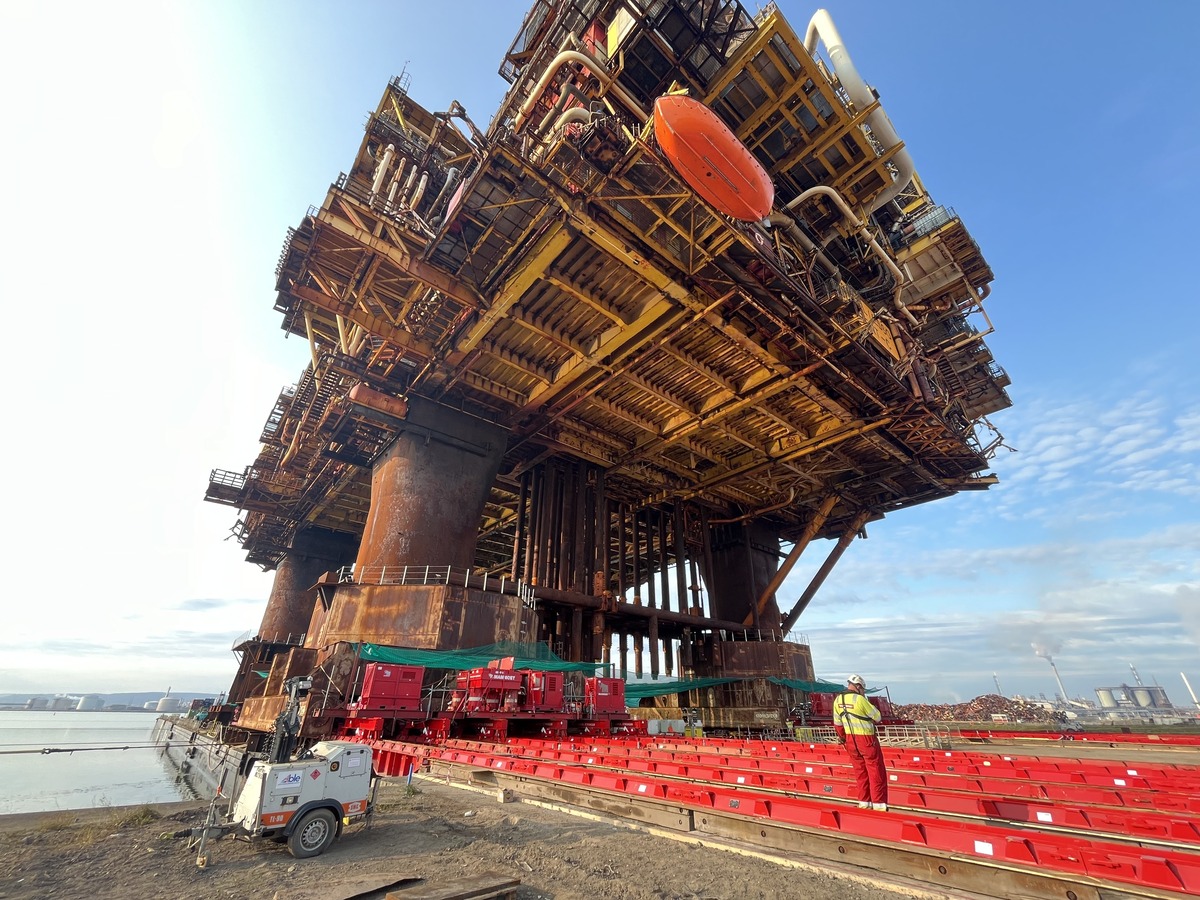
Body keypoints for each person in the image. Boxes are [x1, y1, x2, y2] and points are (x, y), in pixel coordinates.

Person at [833, 674, 889, 810]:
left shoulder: (837, 700)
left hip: (850, 742)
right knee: (876, 771)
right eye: (863, 689)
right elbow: (877, 717)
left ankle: (864, 803)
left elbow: (838, 725)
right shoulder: (860, 699)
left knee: (860, 772)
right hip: (866, 740)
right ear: (858, 686)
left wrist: (844, 739)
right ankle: (879, 805)